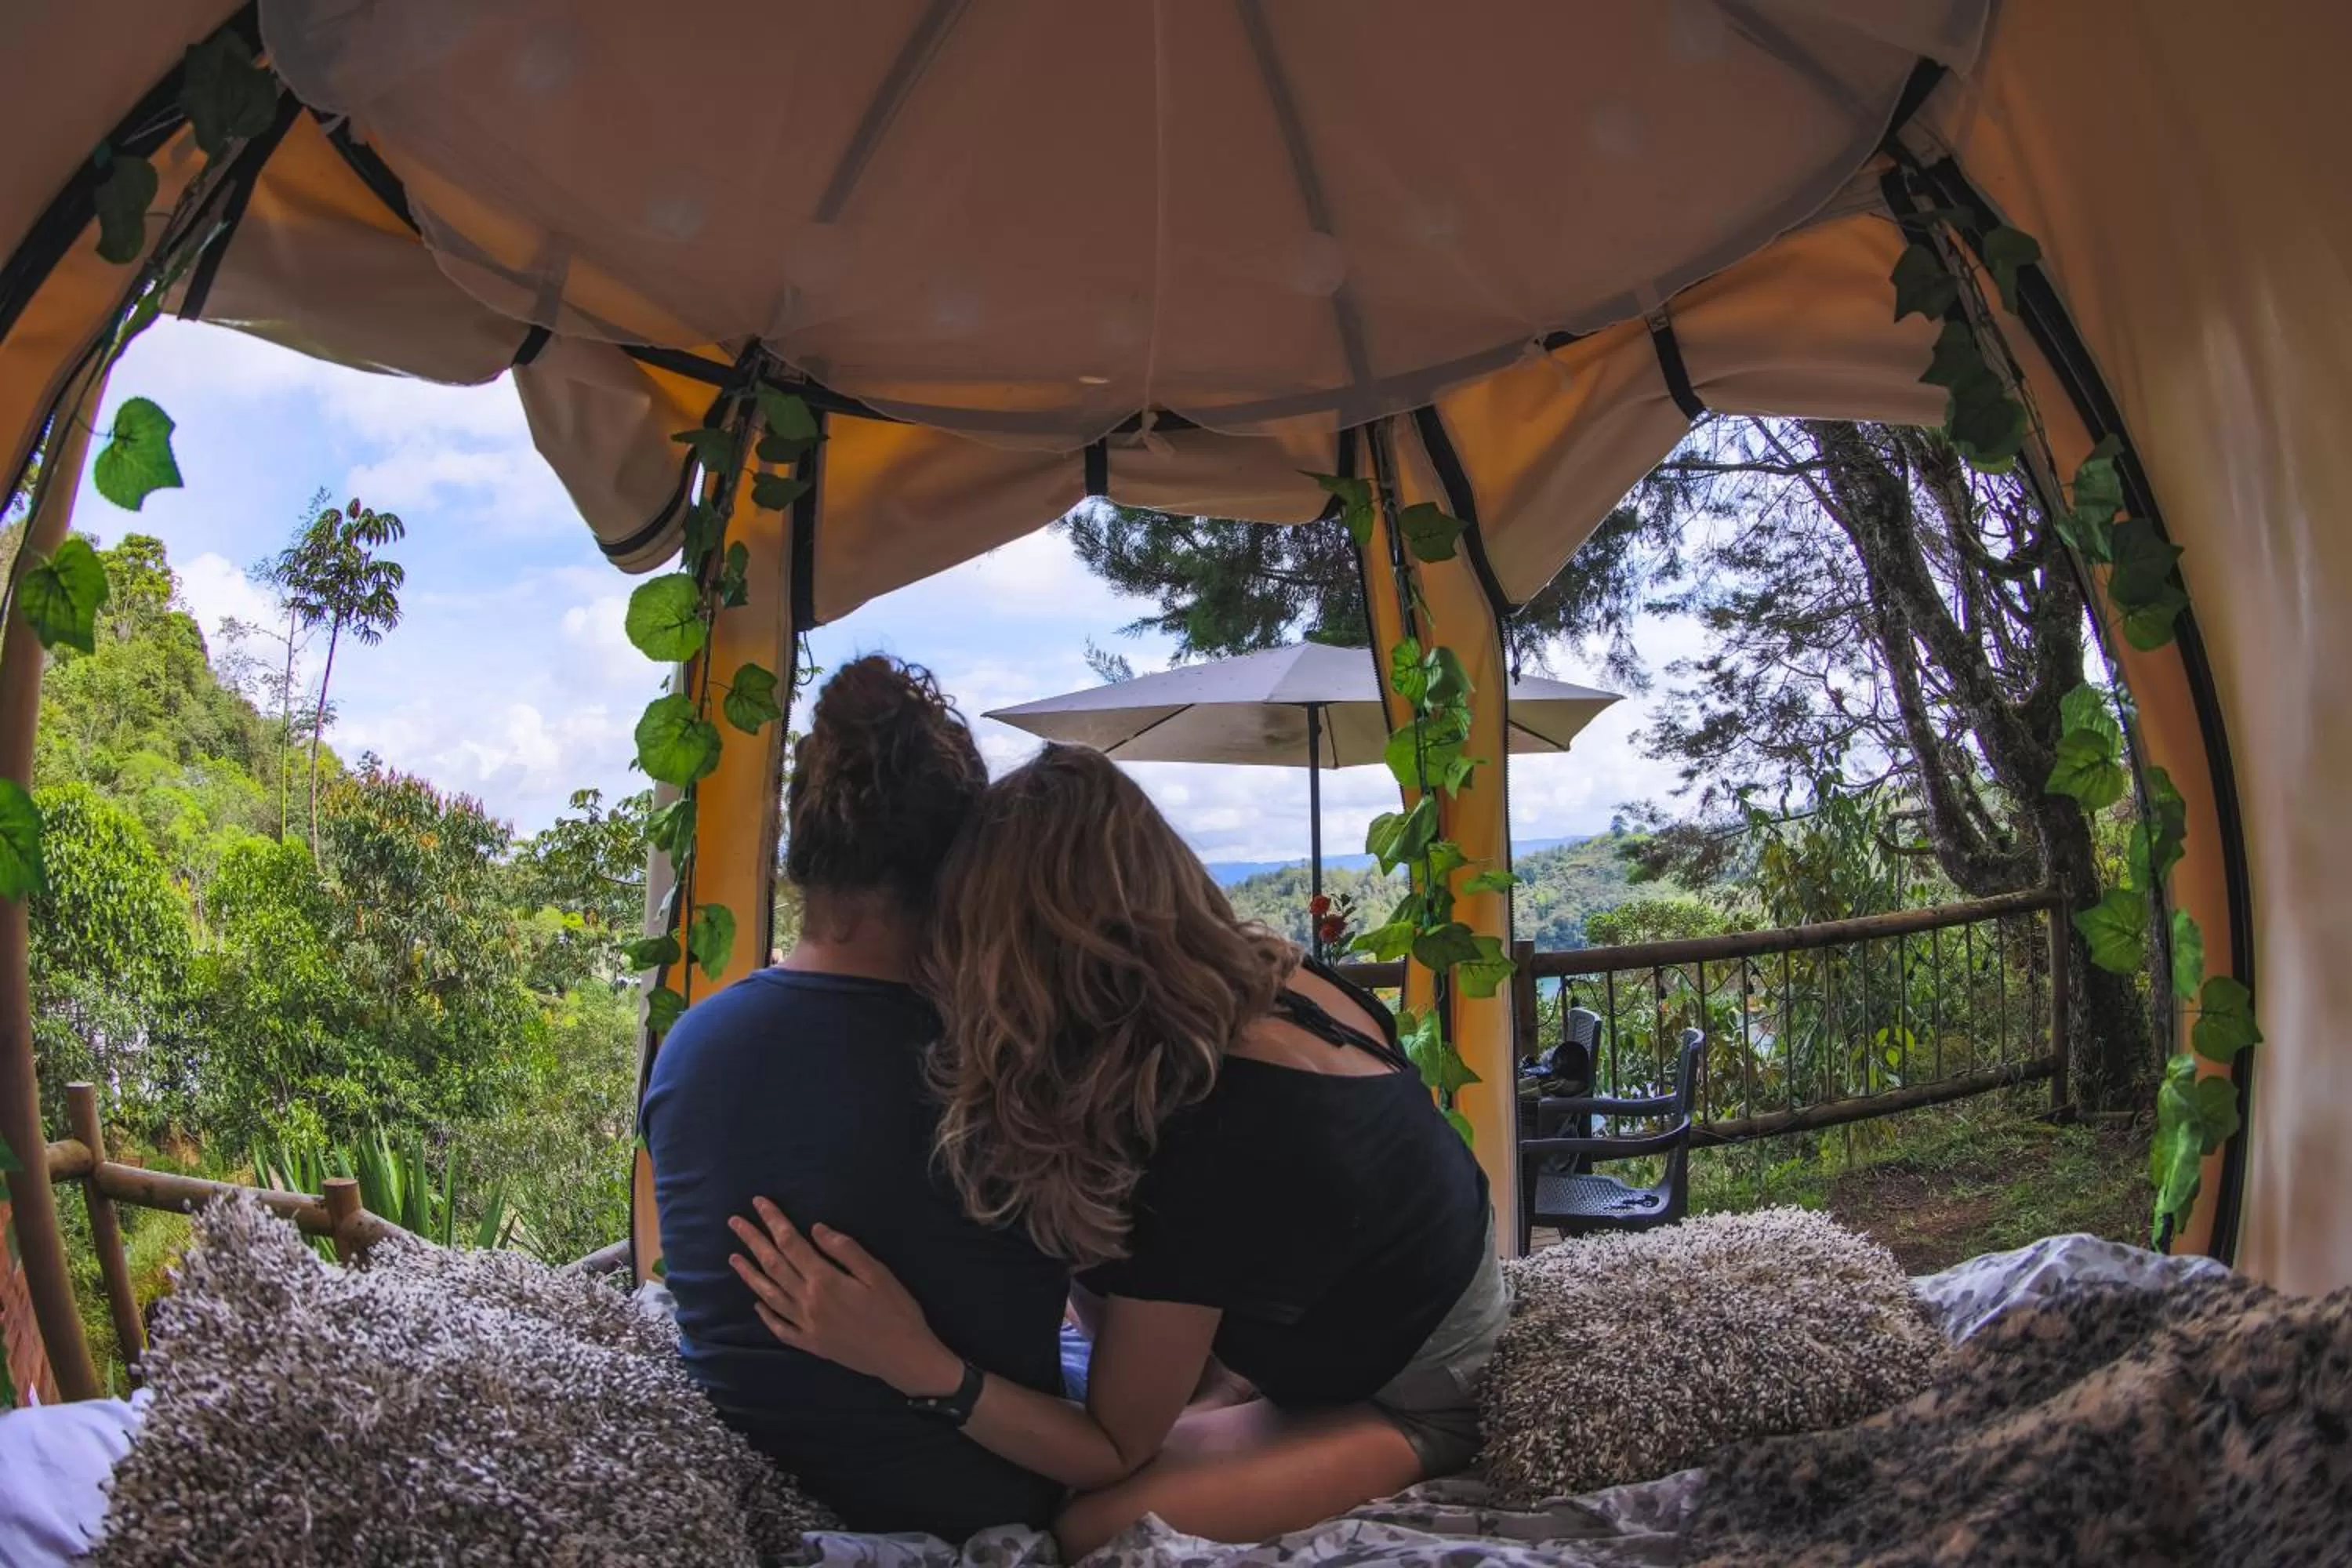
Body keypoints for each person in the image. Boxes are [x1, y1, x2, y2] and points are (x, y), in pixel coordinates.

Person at [727, 742, 1507, 1558]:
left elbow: (1110, 1447)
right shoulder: (1272, 978)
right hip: (1393, 1299)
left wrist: (913, 1359)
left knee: (1089, 1525)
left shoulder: (1203, 1121)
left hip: (1422, 1391)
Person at [640, 658, 1069, 1541]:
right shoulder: (1008, 1060)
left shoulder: (692, 1051)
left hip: (764, 1493)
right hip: (981, 1496)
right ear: (961, 864)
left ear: (801, 855)